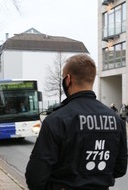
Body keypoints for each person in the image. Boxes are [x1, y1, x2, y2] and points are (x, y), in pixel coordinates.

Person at [25, 54, 127, 190]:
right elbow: (120, 169)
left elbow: (35, 176)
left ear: (68, 79)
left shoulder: (56, 120)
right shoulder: (116, 120)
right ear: (92, 79)